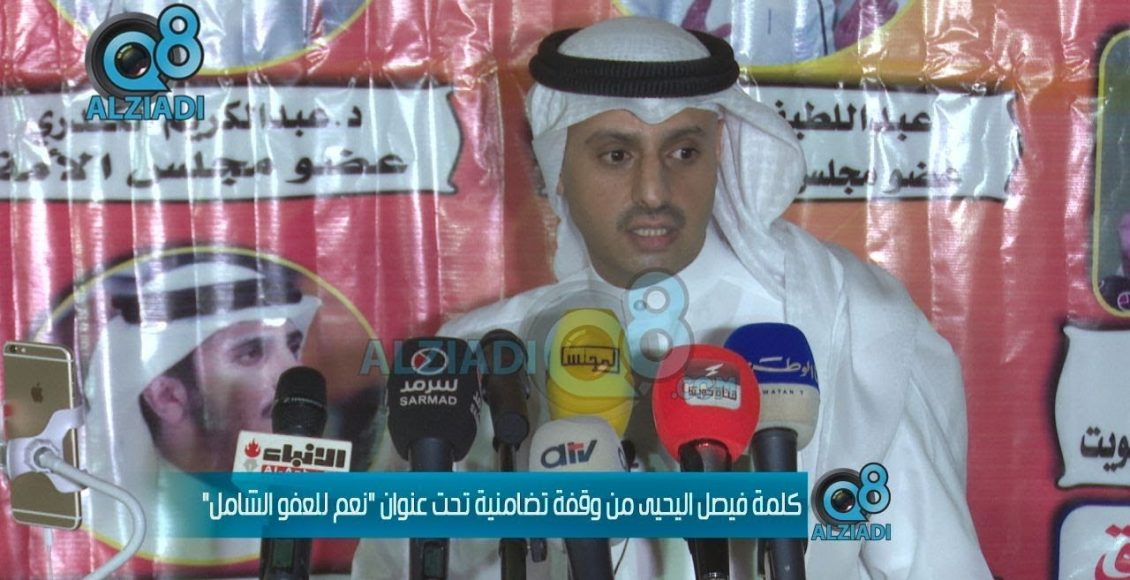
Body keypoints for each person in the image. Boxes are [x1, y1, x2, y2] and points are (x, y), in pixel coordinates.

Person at [353, 16, 990, 578]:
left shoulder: (847, 323)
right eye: (615, 155)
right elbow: (395, 565)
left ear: (720, 155)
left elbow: (935, 563)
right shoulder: (478, 354)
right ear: (559, 169)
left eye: (684, 151)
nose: (654, 191)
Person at [76, 250, 321, 563]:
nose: (294, 375)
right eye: (251, 353)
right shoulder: (124, 533)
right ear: (168, 397)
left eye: (293, 347)